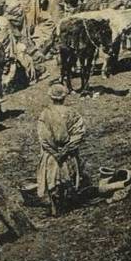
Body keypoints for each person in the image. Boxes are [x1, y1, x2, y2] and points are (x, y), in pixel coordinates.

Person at [36, 83, 86, 216]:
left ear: (51, 97)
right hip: (67, 152)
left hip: (52, 154)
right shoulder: (72, 113)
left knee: (52, 179)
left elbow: (44, 137)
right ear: (64, 97)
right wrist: (67, 148)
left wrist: (54, 152)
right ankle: (67, 203)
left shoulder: (45, 114)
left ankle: (56, 207)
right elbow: (79, 132)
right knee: (68, 176)